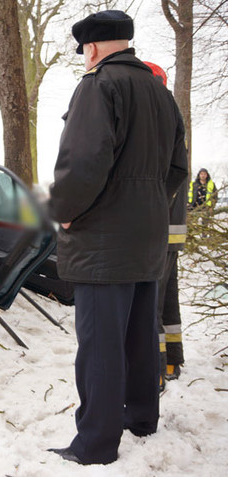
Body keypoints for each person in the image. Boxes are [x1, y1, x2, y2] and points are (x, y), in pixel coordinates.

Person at [47, 10, 189, 465]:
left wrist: (64, 212)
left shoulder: (98, 85)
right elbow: (176, 170)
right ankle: (142, 416)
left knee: (101, 342)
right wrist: (146, 205)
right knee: (140, 333)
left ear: (91, 48)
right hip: (148, 236)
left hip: (103, 242)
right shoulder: (160, 94)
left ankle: (95, 444)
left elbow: (83, 163)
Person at [145, 62, 187, 387]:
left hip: (159, 231)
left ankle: (156, 371)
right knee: (167, 301)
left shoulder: (157, 119)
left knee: (151, 307)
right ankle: (173, 360)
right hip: (173, 231)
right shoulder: (173, 117)